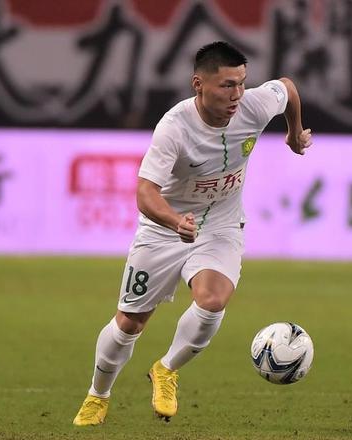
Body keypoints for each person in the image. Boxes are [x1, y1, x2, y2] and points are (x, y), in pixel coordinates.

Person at [72, 41, 312, 426]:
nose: (237, 94)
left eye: (241, 83)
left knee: (213, 300)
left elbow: (287, 87)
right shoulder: (174, 128)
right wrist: (174, 222)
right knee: (130, 323)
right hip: (164, 230)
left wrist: (294, 132)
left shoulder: (253, 105)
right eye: (226, 85)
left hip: (221, 226)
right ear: (198, 84)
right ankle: (97, 396)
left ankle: (166, 369)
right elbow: (145, 192)